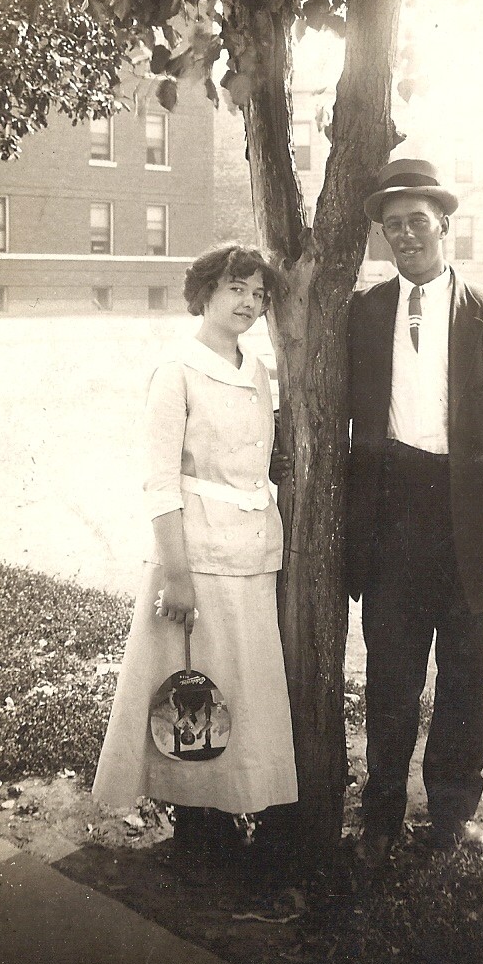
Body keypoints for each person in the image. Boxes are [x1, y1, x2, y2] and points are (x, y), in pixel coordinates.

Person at [347, 158, 483, 868]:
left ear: (443, 226)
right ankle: (380, 815)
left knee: (466, 677)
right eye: (392, 225)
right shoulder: (364, 312)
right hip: (392, 515)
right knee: (391, 678)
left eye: (417, 221)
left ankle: (451, 816)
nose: (404, 235)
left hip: (472, 521)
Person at [93, 244, 298, 855]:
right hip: (196, 557)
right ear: (205, 293)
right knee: (191, 687)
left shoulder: (256, 369)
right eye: (237, 288)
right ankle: (194, 820)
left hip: (252, 553)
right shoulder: (176, 370)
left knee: (240, 685)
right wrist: (175, 575)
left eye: (259, 294)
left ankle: (234, 803)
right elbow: (161, 482)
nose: (250, 303)